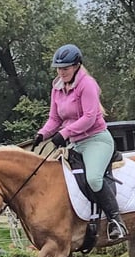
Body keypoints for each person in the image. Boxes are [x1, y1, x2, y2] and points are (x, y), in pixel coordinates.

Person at [33, 43, 128, 241]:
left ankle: (116, 220)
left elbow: (89, 117)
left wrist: (64, 133)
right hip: (75, 143)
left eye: (65, 68)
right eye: (58, 68)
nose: (61, 72)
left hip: (96, 140)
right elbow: (54, 118)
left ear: (77, 65)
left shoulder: (87, 84)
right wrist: (42, 133)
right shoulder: (57, 87)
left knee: (94, 178)